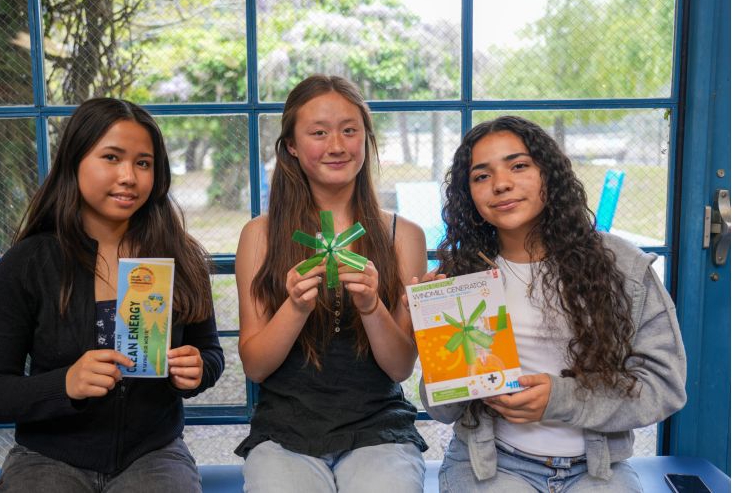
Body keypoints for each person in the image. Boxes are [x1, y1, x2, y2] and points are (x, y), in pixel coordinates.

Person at [0, 98, 224, 492]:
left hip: (153, 454)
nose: (129, 176)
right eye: (111, 157)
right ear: (75, 161)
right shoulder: (27, 264)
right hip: (48, 457)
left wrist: (197, 370)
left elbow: (210, 353)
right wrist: (65, 383)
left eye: (143, 163)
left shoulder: (179, 257)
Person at [425, 115, 687, 492]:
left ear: (548, 174)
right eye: (481, 176)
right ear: (469, 195)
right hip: (492, 464)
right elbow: (441, 410)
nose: (501, 184)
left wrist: (560, 397)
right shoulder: (460, 275)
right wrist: (437, 343)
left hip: (596, 469)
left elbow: (664, 386)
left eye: (519, 166)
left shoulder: (621, 266)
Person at [234, 74, 429, 492]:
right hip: (285, 433)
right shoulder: (260, 235)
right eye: (318, 133)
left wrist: (372, 307)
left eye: (349, 130)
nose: (337, 146)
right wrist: (296, 307)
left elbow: (400, 366)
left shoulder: (404, 236)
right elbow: (255, 365)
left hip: (379, 428)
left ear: (366, 138)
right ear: (291, 145)